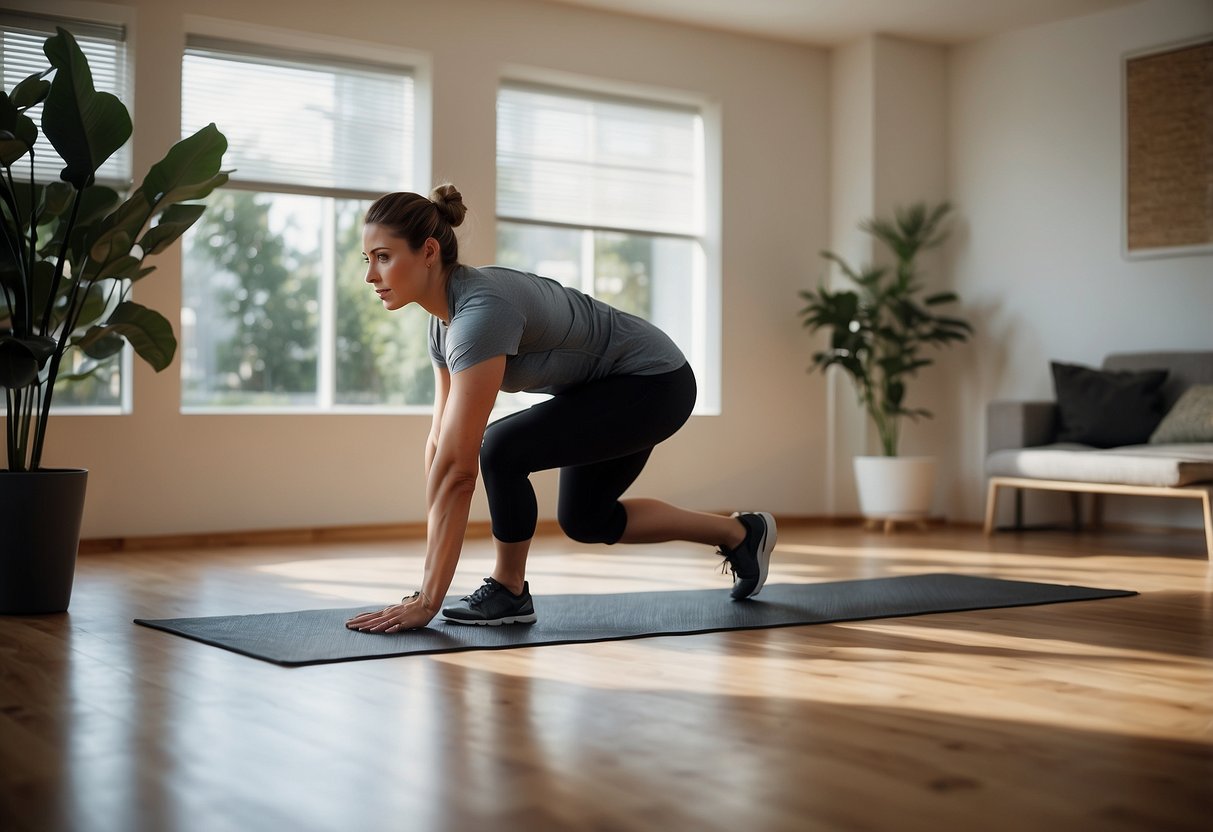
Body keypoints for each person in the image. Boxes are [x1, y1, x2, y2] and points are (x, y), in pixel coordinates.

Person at [345, 184, 776, 634]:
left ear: (428, 251)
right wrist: (423, 588)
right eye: (367, 260)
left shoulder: (480, 314)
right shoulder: (444, 326)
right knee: (588, 519)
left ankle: (508, 591)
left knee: (500, 447)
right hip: (603, 390)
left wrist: (429, 599)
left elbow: (459, 468)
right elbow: (440, 445)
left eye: (383, 257)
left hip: (655, 382)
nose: (370, 276)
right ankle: (743, 535)